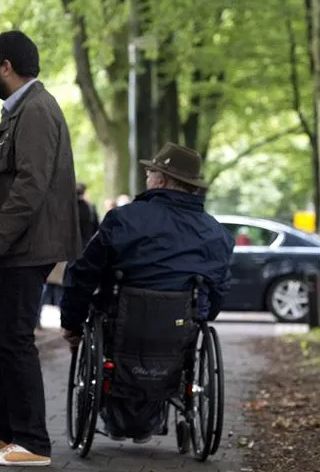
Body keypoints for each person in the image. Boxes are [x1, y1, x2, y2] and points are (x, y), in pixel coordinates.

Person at [59, 142, 233, 442]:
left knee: (108, 322)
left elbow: (83, 274)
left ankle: (116, 412)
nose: (147, 177)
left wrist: (71, 324)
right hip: (179, 331)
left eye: (150, 172)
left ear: (161, 180)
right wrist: (202, 316)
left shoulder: (123, 220)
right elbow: (216, 293)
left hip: (123, 326)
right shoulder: (216, 233)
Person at [0, 30, 80, 468]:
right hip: (21, 243)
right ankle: (6, 432)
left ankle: (32, 443)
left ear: (7, 67)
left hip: (27, 245)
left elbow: (31, 185)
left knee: (13, 338)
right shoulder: (23, 109)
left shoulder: (35, 111)